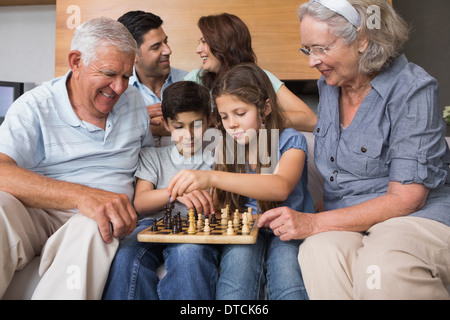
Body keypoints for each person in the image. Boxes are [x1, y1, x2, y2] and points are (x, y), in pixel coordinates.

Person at [258, 0, 450, 300]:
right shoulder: (330, 84)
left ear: (363, 40)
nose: (312, 61)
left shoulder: (413, 88)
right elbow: (340, 173)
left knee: (383, 264)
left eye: (322, 48)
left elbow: (407, 198)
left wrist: (313, 222)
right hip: (348, 217)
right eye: (307, 49)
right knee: (317, 252)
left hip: (414, 218)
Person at [0, 17, 153, 299]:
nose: (119, 88)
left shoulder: (134, 102)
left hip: (94, 224)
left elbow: (150, 166)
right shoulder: (34, 106)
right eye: (108, 73)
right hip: (38, 214)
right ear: (76, 62)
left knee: (97, 223)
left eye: (126, 77)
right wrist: (82, 196)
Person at [168, 63, 314, 300]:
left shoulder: (289, 139)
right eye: (224, 117)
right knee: (235, 284)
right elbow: (218, 203)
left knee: (287, 279)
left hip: (287, 229)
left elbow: (280, 187)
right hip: (243, 228)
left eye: (240, 113)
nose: (231, 124)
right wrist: (197, 198)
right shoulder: (228, 147)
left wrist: (211, 176)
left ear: (265, 108)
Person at [103, 81, 220, 300]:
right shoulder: (153, 156)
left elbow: (221, 199)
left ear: (209, 121)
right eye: (178, 127)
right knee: (125, 256)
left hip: (196, 229)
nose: (188, 135)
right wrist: (178, 192)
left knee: (190, 254)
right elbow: (141, 202)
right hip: (151, 225)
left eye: (196, 124)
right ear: (166, 125)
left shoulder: (218, 157)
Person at [184, 13, 318, 132]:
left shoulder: (259, 77)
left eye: (204, 42)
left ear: (223, 43)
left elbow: (310, 120)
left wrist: (258, 119)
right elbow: (173, 120)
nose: (198, 49)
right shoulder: (195, 78)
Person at [118, 11, 188, 147]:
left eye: (166, 42)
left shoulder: (190, 80)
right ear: (132, 54)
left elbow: (207, 125)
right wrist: (139, 118)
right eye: (156, 47)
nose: (168, 50)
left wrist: (138, 125)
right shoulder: (118, 91)